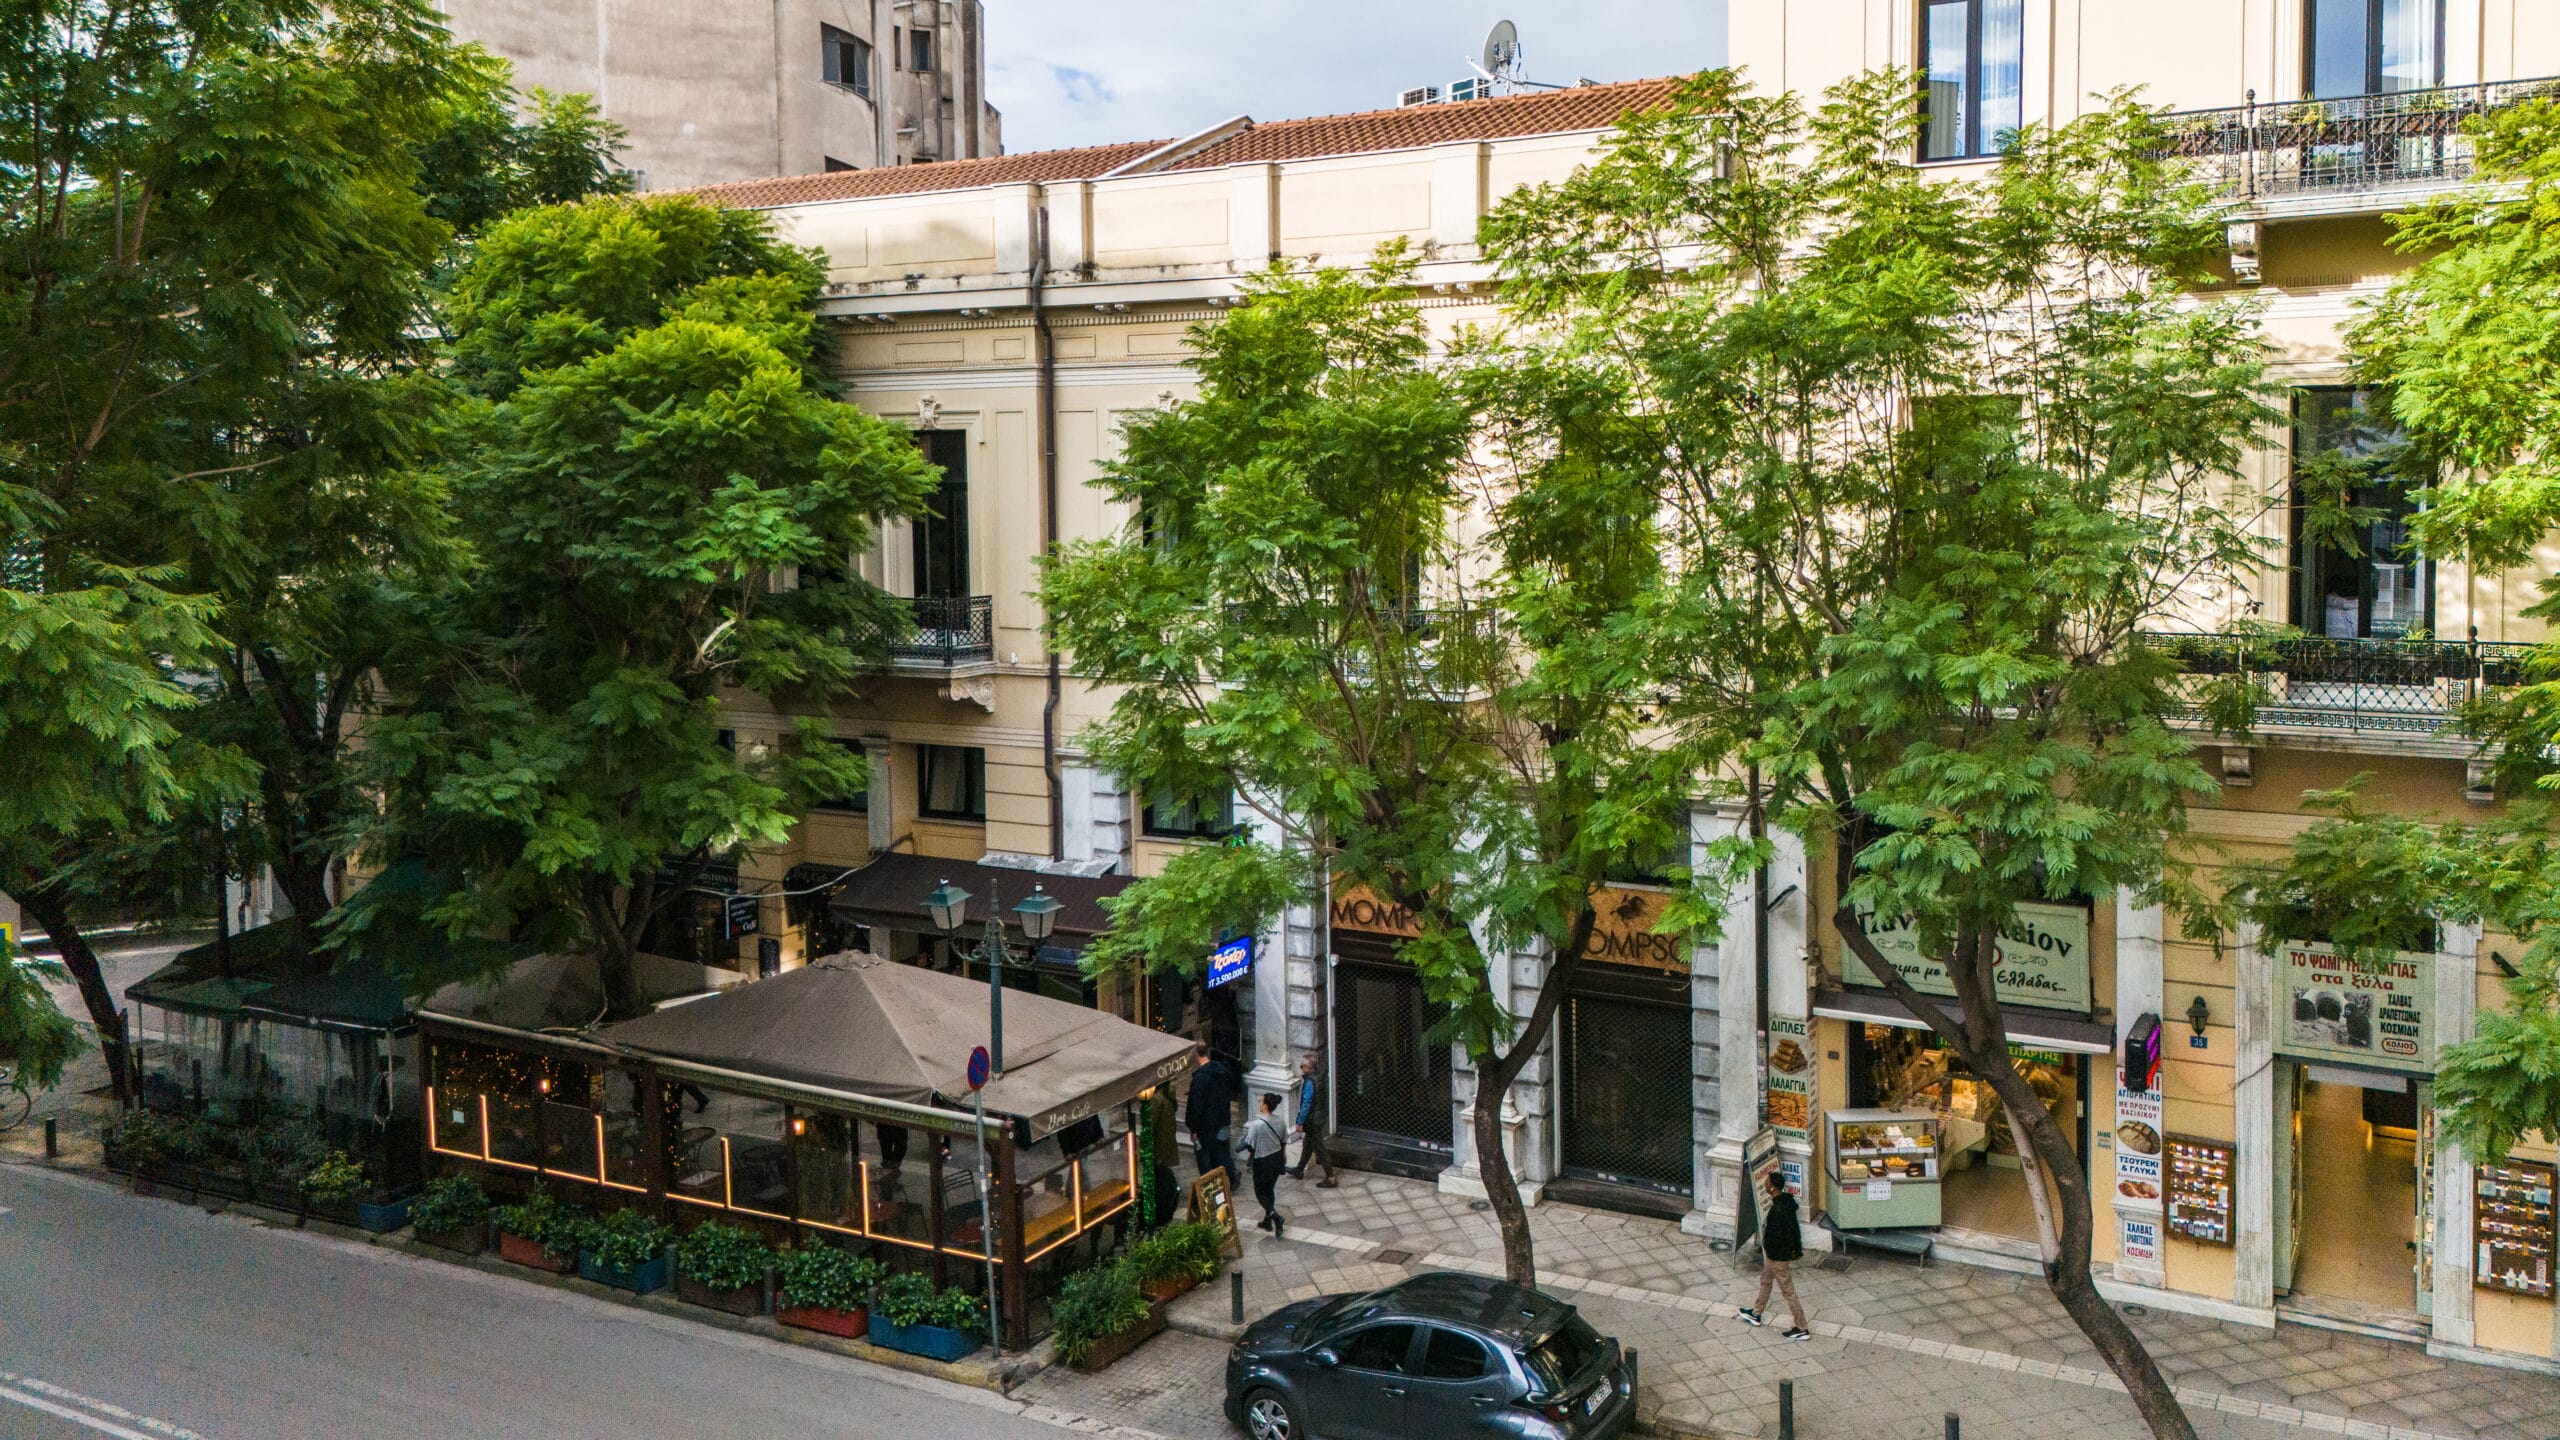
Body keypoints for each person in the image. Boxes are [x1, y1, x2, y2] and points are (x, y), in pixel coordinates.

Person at [1738, 1170, 1811, 1341]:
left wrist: (1768, 1245)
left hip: (1778, 1257)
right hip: (1775, 1256)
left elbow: (1777, 1236)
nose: (1764, 1184)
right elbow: (1793, 1230)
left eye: (1767, 1182)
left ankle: (1802, 1327)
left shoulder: (1778, 1210)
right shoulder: (1786, 1204)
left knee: (1788, 1292)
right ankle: (1756, 1313)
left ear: (1772, 1187)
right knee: (1765, 1281)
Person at [1183, 1045, 1239, 1183]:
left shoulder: (1200, 1078)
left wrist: (1193, 1128)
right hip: (1220, 1119)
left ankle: (1209, 1184)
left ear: (1196, 1056)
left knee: (1204, 1157)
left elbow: (1196, 1105)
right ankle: (1230, 1173)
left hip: (1205, 1125)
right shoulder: (1221, 1072)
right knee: (1218, 1151)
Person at [1242, 1091, 1291, 1237]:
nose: (1260, 1103)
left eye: (1261, 1101)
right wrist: (1284, 1156)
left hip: (1262, 1161)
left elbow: (1249, 1144)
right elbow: (1284, 1141)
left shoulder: (1256, 1124)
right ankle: (1267, 1221)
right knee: (1269, 1189)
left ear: (1265, 1106)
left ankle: (1276, 1217)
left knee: (1260, 1192)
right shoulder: (1280, 1122)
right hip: (1277, 1159)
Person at [1287, 1051, 1337, 1187]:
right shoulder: (1319, 1077)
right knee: (1308, 1145)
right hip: (1318, 1117)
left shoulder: (1309, 1083)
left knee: (1319, 1148)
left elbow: (1306, 1103)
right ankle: (1299, 1169)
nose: (1300, 1068)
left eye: (1302, 1066)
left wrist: (1299, 1121)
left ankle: (1330, 1177)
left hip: (1313, 1120)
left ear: (1308, 1068)